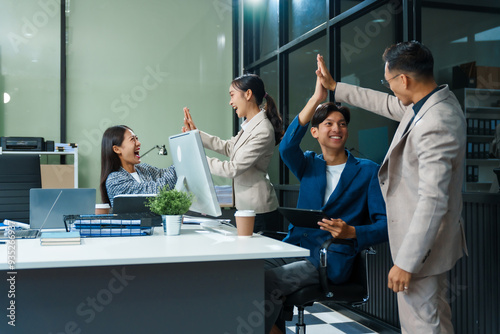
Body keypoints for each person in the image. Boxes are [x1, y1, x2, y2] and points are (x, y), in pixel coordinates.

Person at [316, 41, 467, 333]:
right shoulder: (427, 103)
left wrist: (407, 263)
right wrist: (334, 86)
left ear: (404, 80)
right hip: (423, 243)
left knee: (423, 324)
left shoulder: (436, 121)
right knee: (430, 317)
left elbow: (433, 200)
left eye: (389, 82)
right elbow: (384, 103)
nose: (389, 90)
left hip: (422, 248)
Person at [264, 74, 388, 334]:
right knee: (249, 271)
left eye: (342, 124)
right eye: (329, 123)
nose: (337, 129)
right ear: (315, 132)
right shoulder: (309, 164)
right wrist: (316, 98)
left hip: (328, 259)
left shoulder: (367, 171)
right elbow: (286, 147)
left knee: (266, 281)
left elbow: (385, 225)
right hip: (295, 248)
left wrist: (352, 232)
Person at [182, 73, 283, 232]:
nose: (230, 102)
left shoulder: (263, 130)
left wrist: (199, 160)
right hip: (247, 209)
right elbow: (229, 147)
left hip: (259, 211)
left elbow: (233, 168)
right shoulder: (250, 126)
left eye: (232, 95)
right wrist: (196, 134)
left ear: (248, 94)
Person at [99, 125, 177, 207]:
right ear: (117, 149)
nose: (138, 143)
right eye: (132, 139)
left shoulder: (144, 169)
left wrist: (189, 139)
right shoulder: (115, 180)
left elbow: (168, 173)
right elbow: (157, 190)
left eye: (136, 138)